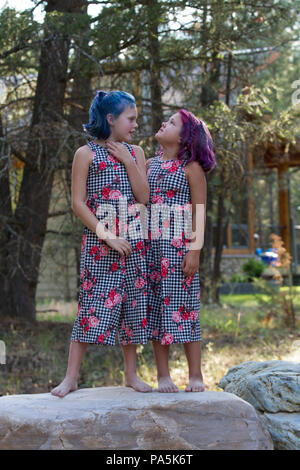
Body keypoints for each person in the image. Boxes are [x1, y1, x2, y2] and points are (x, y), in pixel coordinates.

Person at [51, 90, 152, 397]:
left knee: (132, 308)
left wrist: (128, 160)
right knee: (91, 306)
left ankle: (132, 375)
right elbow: (78, 204)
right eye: (130, 118)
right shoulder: (86, 154)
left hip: (135, 244)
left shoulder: (137, 153)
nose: (136, 124)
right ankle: (71, 378)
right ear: (111, 119)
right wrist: (107, 236)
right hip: (101, 245)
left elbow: (144, 197)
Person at [145, 109, 216, 393]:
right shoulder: (149, 164)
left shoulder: (191, 168)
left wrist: (194, 251)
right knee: (156, 311)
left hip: (179, 252)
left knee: (186, 310)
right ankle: (163, 375)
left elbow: (199, 211)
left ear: (184, 137)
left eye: (172, 122)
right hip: (151, 249)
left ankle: (195, 374)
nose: (164, 123)